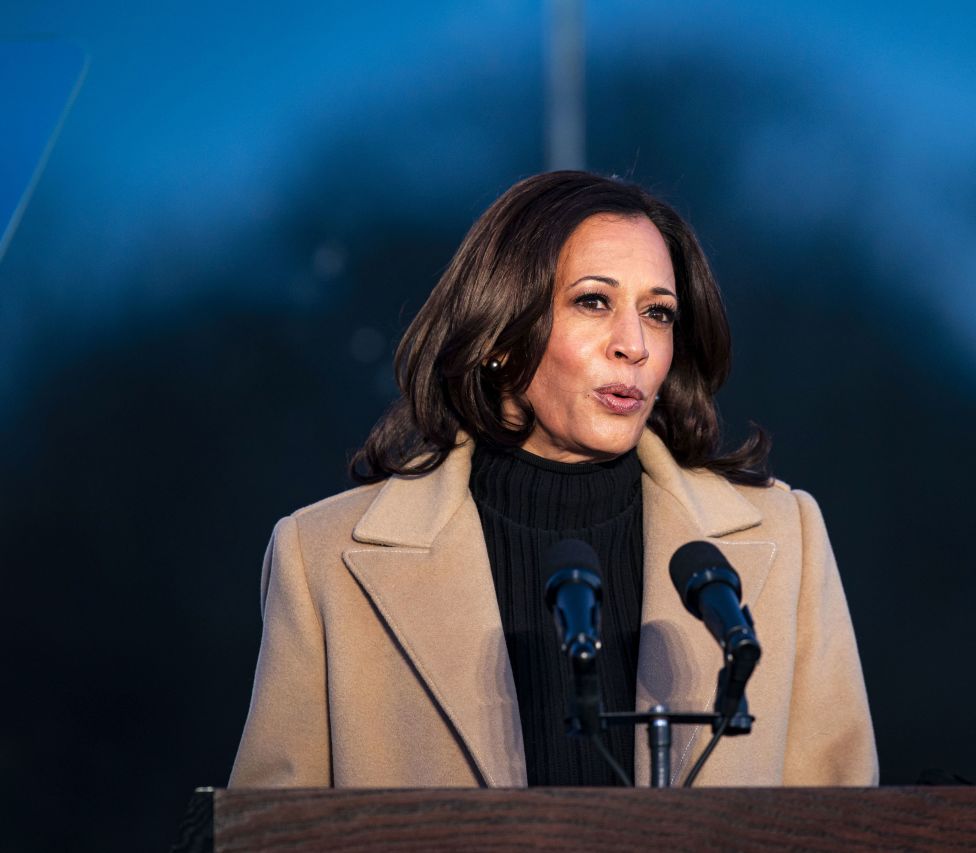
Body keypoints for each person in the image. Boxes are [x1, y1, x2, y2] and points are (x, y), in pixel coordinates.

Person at [229, 171, 877, 788]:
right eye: (594, 301)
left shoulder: (787, 537)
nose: (634, 345)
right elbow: (262, 831)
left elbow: (846, 819)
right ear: (500, 332)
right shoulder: (321, 559)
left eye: (658, 312)